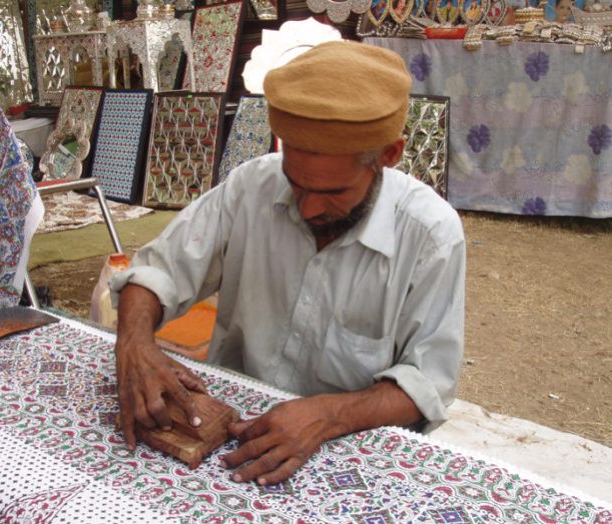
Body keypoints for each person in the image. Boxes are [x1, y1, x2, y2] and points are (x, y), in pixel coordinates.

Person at [110, 40, 465, 486]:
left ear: (388, 156)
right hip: (233, 434)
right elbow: (159, 272)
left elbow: (427, 384)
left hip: (350, 452)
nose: (310, 208)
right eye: (297, 184)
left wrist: (328, 415)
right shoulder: (251, 186)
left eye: (334, 193)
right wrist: (135, 344)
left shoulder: (430, 234)